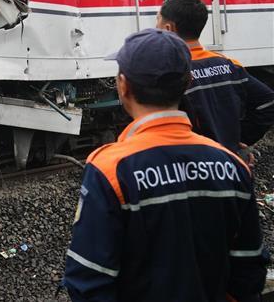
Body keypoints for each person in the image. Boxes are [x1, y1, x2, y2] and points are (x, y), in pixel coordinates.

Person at [62, 28, 267, 301]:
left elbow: (88, 278)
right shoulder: (232, 165)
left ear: (123, 86)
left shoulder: (109, 169)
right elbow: (250, 266)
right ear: (188, 82)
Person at [156, 0, 274, 161]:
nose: (156, 26)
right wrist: (238, 138)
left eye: (158, 20)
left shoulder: (172, 72)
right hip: (229, 161)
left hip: (195, 164)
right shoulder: (230, 65)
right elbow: (268, 102)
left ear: (169, 28)